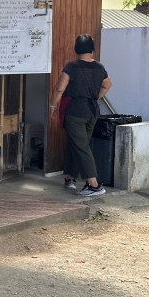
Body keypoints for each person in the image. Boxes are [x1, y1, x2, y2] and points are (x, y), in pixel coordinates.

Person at [49, 34, 112, 197]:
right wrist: (96, 96)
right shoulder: (100, 67)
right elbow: (108, 84)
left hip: (75, 111)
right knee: (76, 144)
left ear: (76, 50)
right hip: (92, 111)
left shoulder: (72, 67)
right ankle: (70, 178)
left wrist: (53, 105)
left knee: (81, 146)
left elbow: (60, 89)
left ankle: (94, 185)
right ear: (92, 49)